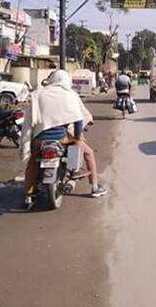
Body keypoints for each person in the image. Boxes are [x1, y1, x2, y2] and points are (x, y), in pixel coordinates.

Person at [20, 70, 107, 209]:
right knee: (87, 152)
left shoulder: (37, 94)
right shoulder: (69, 94)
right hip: (61, 138)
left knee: (32, 163)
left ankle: (29, 196)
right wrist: (78, 138)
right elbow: (79, 119)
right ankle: (89, 182)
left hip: (39, 139)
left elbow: (29, 121)